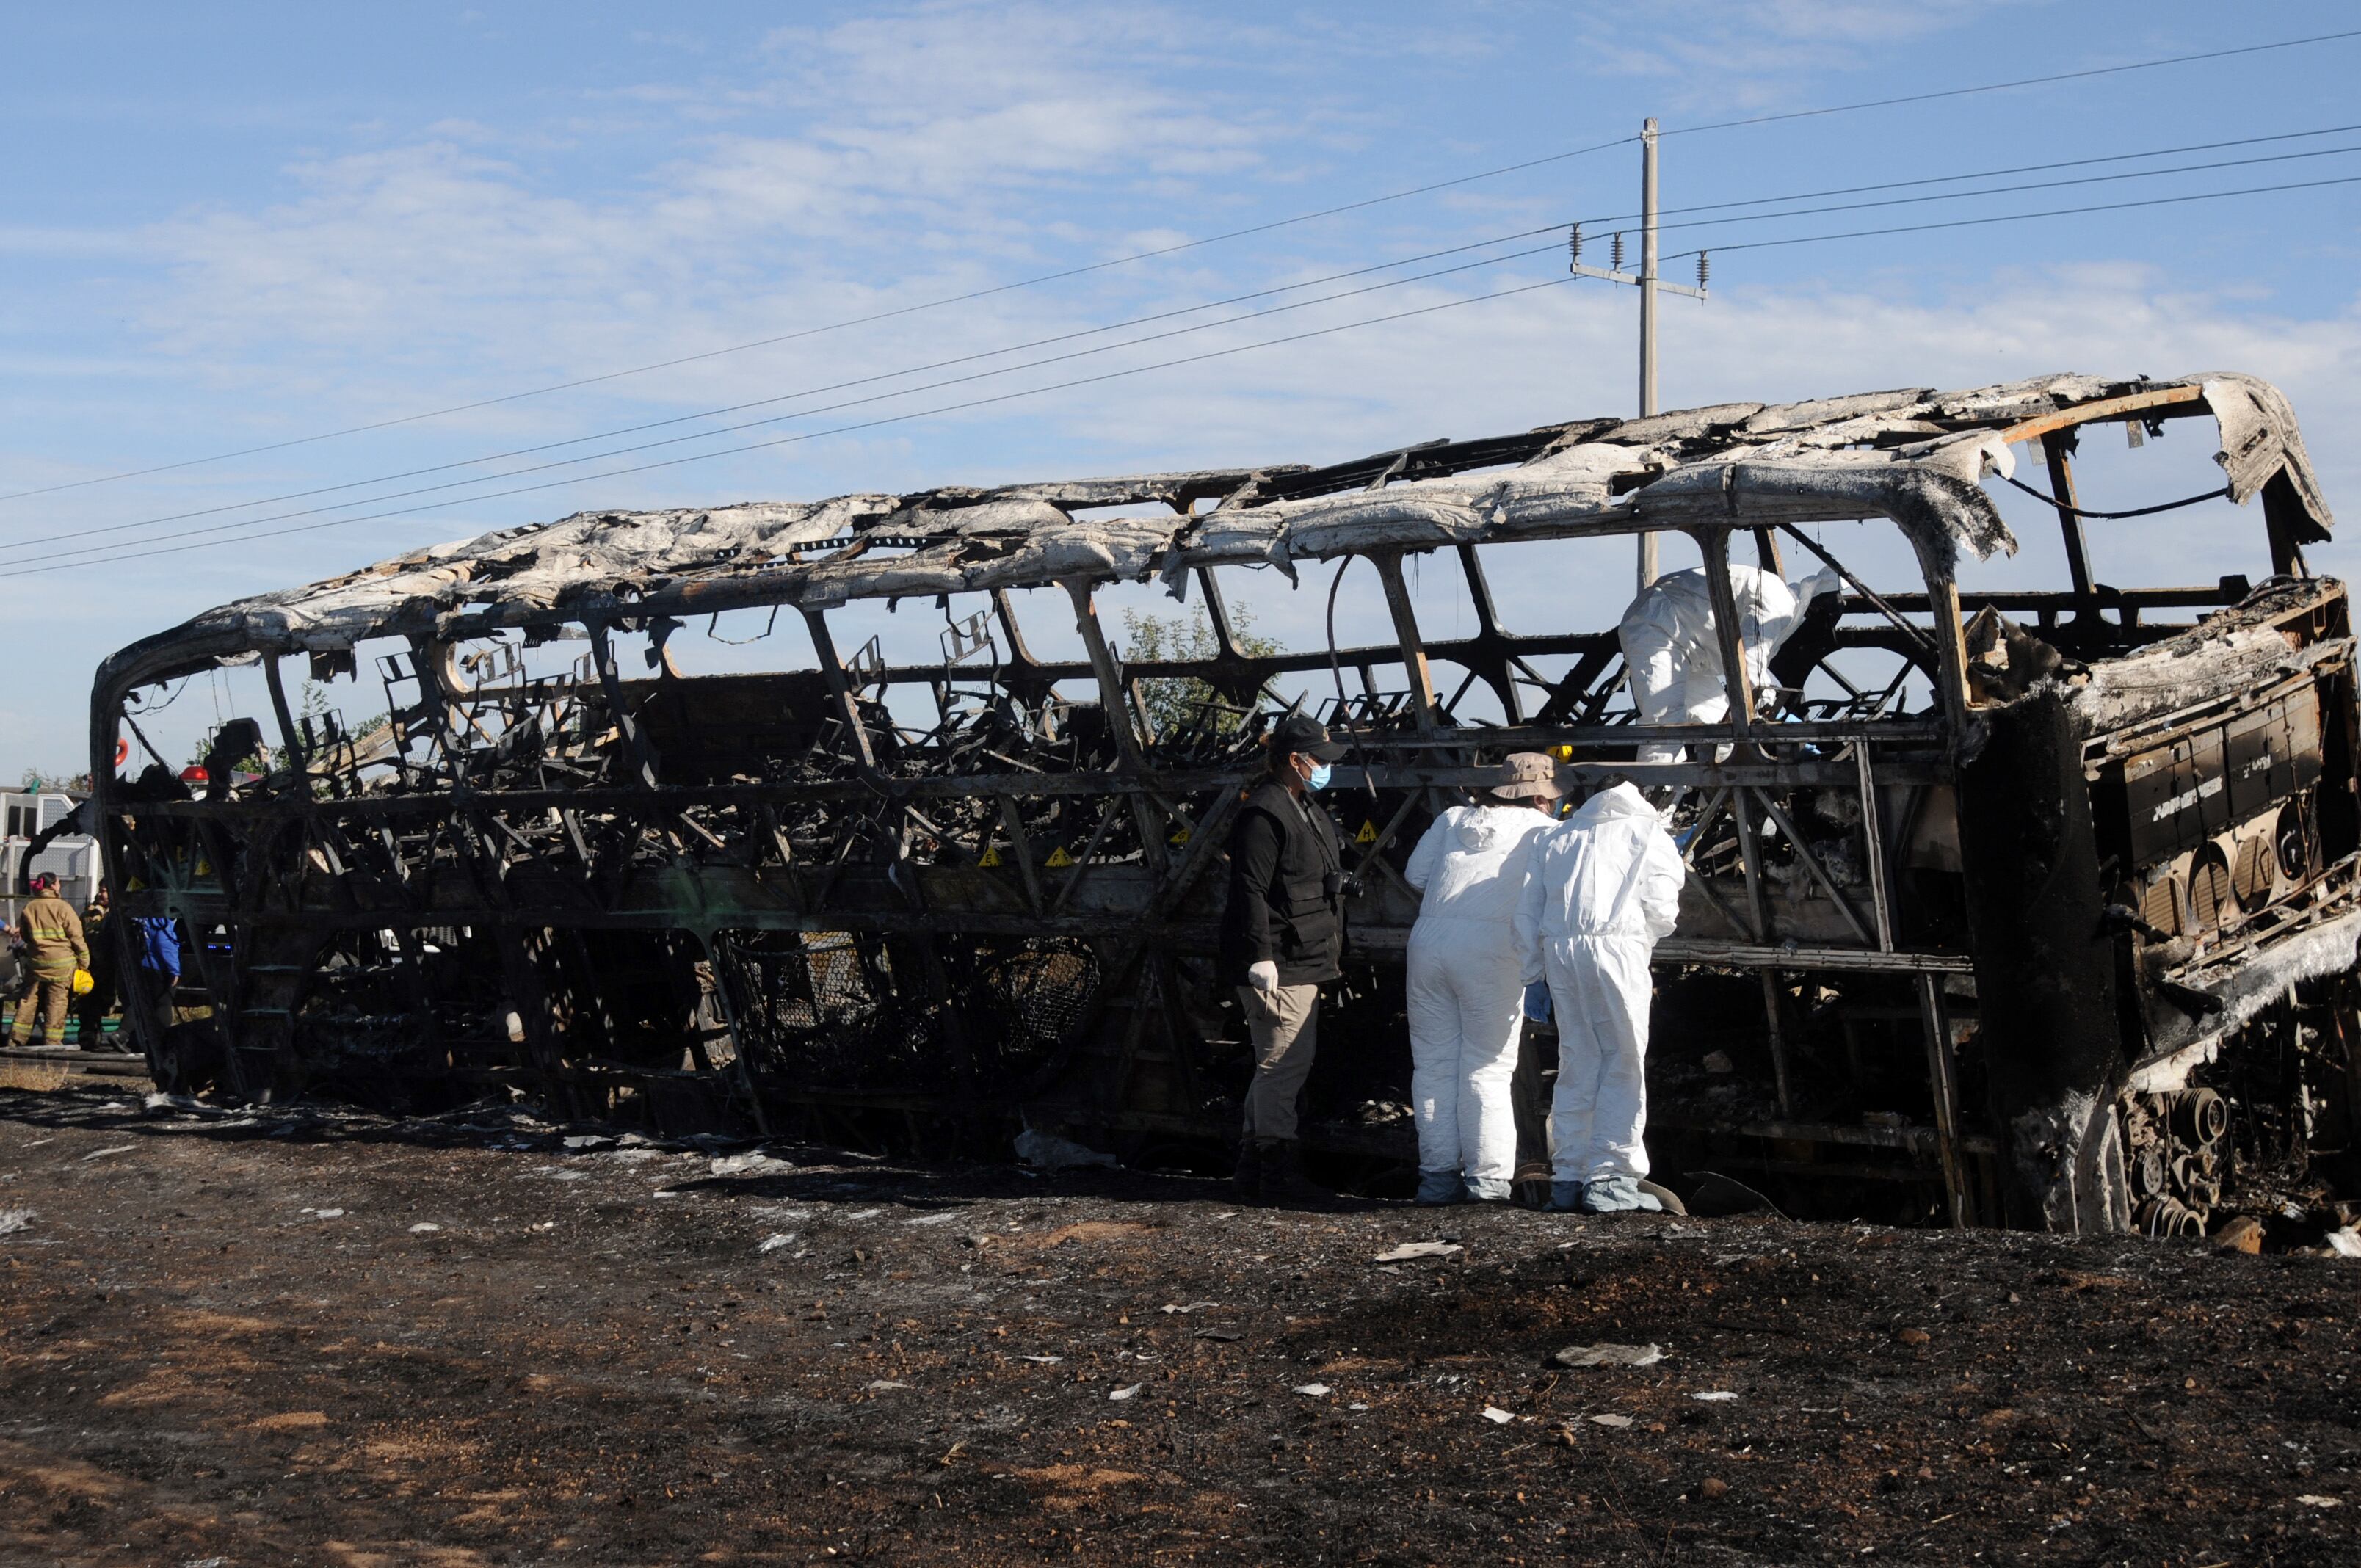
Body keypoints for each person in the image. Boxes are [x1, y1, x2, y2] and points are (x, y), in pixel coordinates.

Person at [1515, 779, 1685, 1213]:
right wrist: (1638, 940)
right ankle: (1611, 1179)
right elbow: (1662, 908)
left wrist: (1534, 969)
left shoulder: (1558, 835)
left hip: (1561, 951)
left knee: (1578, 1060)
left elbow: (1528, 908)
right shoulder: (1647, 832)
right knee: (1622, 1061)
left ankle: (1569, 1175)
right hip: (1617, 948)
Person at [1401, 752, 1561, 1205]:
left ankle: (1436, 1179)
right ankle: (1486, 1182)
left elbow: (1416, 875)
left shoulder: (1452, 819)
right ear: (1538, 796)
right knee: (1487, 1069)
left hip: (1429, 944)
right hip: (1493, 951)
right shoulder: (1543, 831)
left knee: (1433, 1065)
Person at [1219, 711, 1349, 1205]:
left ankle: (1252, 1172)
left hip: (1304, 952)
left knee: (1276, 1063)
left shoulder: (1301, 805)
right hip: (1282, 960)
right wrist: (1261, 955)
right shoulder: (1264, 813)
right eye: (1319, 759)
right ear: (1295, 760)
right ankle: (1276, 1173)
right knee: (1284, 1064)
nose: (1325, 766)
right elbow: (1248, 888)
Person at [1620, 563, 1839, 762]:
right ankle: (1651, 802)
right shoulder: (1778, 602)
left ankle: (1718, 802)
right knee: (1665, 727)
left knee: (1724, 736)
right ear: (1818, 607)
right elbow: (1750, 658)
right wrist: (1769, 706)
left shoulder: (1786, 616)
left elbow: (1752, 662)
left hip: (1691, 651)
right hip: (1657, 626)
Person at [11, 873, 90, 1048]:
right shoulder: (64, 908)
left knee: (29, 1001)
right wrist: (84, 962)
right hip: (62, 967)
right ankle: (52, 1041)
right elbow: (77, 937)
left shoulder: (30, 908)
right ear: (53, 886)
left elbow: (24, 935)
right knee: (57, 1002)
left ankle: (16, 1039)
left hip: (36, 965)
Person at [73, 882, 117, 1049]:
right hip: (93, 965)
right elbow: (85, 933)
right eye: (100, 891)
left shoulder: (119, 911)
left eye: (105, 891)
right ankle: (89, 1034)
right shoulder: (89, 913)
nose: (101, 894)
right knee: (89, 1001)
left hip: (112, 964)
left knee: (108, 1000)